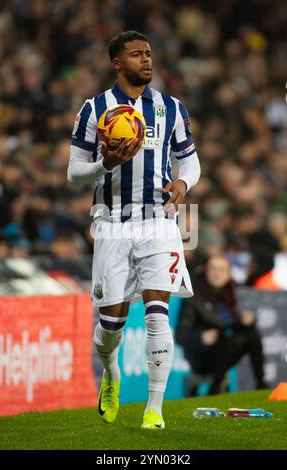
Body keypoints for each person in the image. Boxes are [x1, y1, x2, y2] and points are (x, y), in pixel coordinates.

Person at [67, 31, 201, 430]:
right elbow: (74, 173)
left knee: (158, 313)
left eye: (148, 53)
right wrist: (104, 164)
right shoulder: (94, 109)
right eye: (136, 54)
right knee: (111, 326)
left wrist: (182, 184)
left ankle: (154, 410)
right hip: (111, 225)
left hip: (159, 222)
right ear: (116, 62)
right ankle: (111, 375)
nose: (146, 59)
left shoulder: (171, 108)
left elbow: (190, 162)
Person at [176, 254, 266, 395]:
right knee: (238, 339)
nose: (217, 273)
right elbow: (181, 336)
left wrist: (246, 320)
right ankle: (216, 385)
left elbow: (228, 326)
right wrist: (201, 337)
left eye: (222, 269)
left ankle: (260, 383)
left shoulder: (232, 294)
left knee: (251, 333)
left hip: (225, 349)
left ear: (229, 274)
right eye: (213, 268)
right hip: (202, 355)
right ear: (205, 271)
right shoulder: (193, 296)